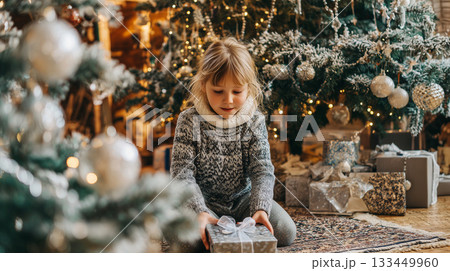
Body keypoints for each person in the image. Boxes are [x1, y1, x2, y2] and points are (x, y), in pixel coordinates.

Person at [170, 37, 296, 252]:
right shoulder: (189, 120)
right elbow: (182, 174)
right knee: (184, 242)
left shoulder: (254, 120)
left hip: (242, 201)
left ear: (249, 87)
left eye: (237, 92)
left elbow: (262, 170)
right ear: (203, 85)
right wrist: (200, 210)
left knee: (285, 231)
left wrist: (260, 209)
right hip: (203, 201)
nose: (228, 100)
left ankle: (224, 231)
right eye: (218, 91)